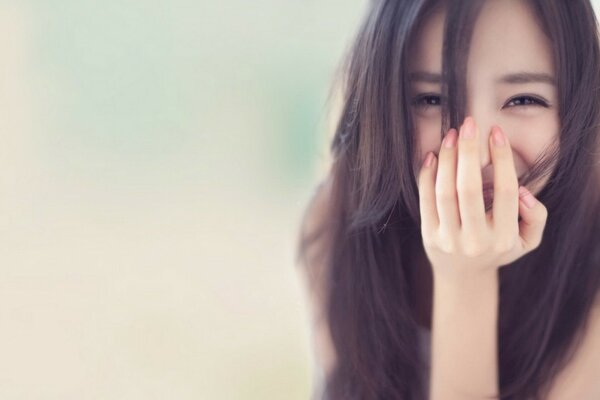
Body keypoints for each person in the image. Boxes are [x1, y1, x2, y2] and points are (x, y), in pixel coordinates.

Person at [295, 0, 600, 399]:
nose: (481, 155)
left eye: (524, 99)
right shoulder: (336, 221)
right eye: (431, 99)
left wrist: (465, 277)